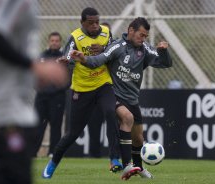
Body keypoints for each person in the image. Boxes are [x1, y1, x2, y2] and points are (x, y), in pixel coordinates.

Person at [0, 0, 67, 184]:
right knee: (15, 178)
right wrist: (33, 67)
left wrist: (25, 75)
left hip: (12, 106)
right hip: (0, 107)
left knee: (17, 177)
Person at [70, 17, 172, 180]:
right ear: (131, 30)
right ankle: (126, 165)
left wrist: (163, 50)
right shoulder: (117, 46)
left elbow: (165, 63)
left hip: (132, 99)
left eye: (145, 36)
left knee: (138, 139)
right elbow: (98, 60)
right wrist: (84, 59)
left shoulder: (144, 49)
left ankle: (138, 168)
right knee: (127, 118)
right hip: (113, 95)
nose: (143, 38)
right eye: (141, 34)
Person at [42, 7, 126, 179]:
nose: (95, 26)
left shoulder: (106, 33)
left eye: (97, 22)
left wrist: (103, 49)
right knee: (72, 133)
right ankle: (53, 162)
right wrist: (66, 61)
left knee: (111, 112)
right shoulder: (75, 37)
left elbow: (115, 50)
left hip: (103, 84)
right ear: (82, 23)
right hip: (82, 89)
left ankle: (114, 158)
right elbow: (68, 55)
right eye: (91, 23)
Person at [33, 32, 67, 157]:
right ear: (48, 42)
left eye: (57, 40)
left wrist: (57, 89)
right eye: (52, 40)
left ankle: (53, 152)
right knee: (38, 125)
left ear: (60, 42)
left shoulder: (64, 58)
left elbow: (67, 79)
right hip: (41, 98)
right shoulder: (41, 57)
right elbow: (34, 76)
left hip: (57, 98)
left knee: (56, 126)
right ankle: (33, 152)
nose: (54, 43)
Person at [87, 22, 112, 158]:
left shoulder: (116, 49)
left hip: (109, 90)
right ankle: (94, 155)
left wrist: (104, 49)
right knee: (94, 125)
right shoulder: (89, 49)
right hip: (93, 91)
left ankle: (115, 154)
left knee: (114, 124)